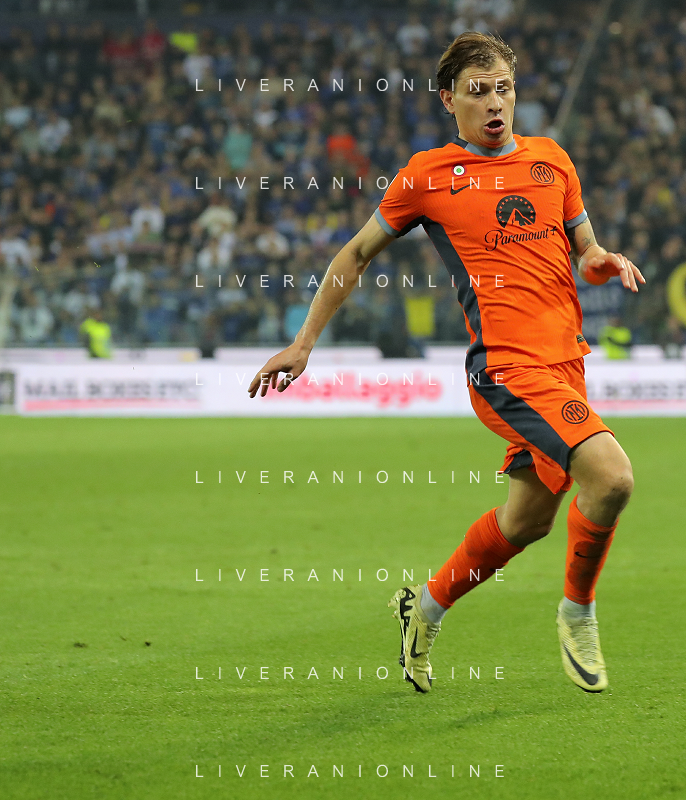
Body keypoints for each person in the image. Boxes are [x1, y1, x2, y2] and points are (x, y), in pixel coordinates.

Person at [247, 32, 644, 694]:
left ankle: (424, 609)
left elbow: (585, 247)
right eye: (478, 91)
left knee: (527, 522)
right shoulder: (428, 175)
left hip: (563, 366)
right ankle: (578, 614)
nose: (495, 103)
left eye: (503, 89)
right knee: (612, 478)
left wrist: (600, 259)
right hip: (506, 370)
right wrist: (304, 342)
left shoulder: (552, 160)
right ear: (448, 99)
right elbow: (355, 254)